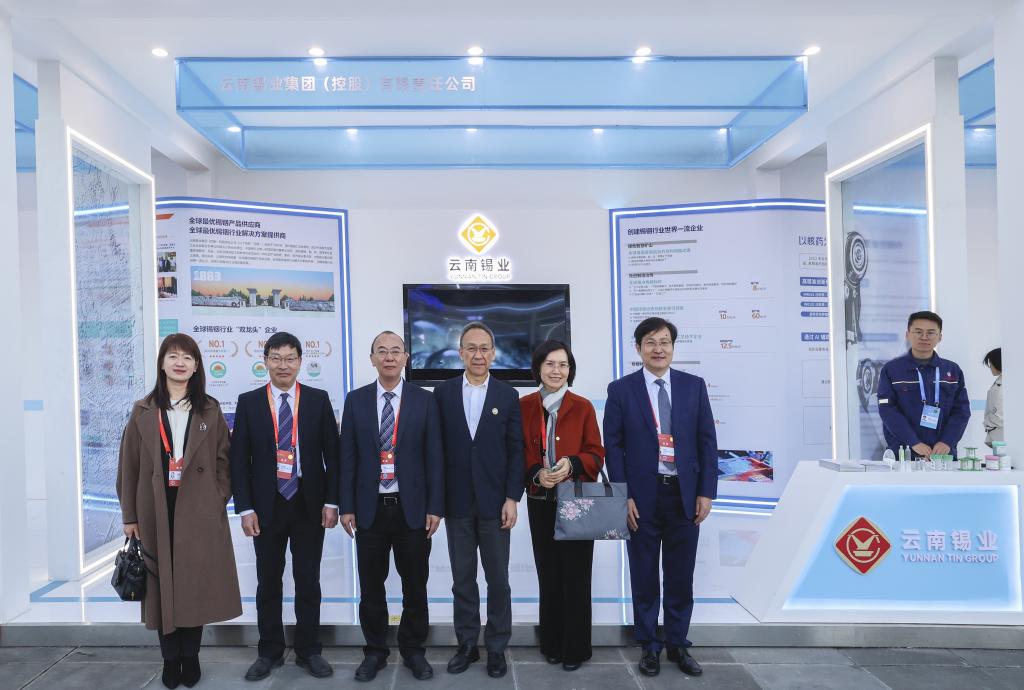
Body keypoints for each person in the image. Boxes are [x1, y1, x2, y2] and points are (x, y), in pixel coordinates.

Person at [117, 333, 241, 689]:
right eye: (173, 356)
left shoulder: (210, 410)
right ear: (162, 363)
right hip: (155, 509)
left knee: (194, 586)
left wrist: (216, 498)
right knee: (161, 588)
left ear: (197, 366)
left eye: (187, 357)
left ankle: (191, 656)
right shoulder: (143, 411)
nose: (180, 363)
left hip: (199, 511)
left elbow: (224, 462)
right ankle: (170, 659)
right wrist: (130, 516)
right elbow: (128, 466)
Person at [604, 317, 717, 678]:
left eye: (664, 342)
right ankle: (649, 646)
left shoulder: (693, 386)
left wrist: (706, 492)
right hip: (641, 499)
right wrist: (622, 496)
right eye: (650, 342)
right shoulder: (621, 390)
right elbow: (613, 447)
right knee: (644, 576)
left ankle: (678, 644)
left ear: (672, 347)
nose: (658, 349)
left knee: (681, 577)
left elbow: (707, 442)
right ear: (638, 348)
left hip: (684, 496)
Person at [230, 332, 340, 681]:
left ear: (300, 362)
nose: (283, 365)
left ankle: (309, 651)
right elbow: (238, 461)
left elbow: (333, 456)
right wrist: (245, 508)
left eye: (290, 358)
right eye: (276, 358)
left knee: (308, 580)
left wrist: (332, 501)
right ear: (265, 361)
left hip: (309, 502)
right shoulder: (249, 402)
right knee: (268, 581)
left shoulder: (318, 400)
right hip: (267, 505)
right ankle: (269, 652)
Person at [339, 331, 444, 682]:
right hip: (369, 510)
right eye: (381, 351)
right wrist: (346, 506)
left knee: (415, 585)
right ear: (372, 359)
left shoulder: (424, 400)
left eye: (395, 351)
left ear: (405, 358)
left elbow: (435, 457)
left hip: (412, 509)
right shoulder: (356, 400)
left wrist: (435, 506)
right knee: (371, 587)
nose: (389, 357)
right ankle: (375, 652)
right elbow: (348, 457)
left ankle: (414, 650)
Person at [433, 322, 524, 678]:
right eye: (471, 348)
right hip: (456, 502)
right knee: (463, 579)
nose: (478, 354)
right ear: (460, 353)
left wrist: (512, 497)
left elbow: (516, 451)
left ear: (494, 353)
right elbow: (436, 449)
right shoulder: (442, 393)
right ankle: (467, 644)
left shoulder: (507, 395)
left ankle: (497, 647)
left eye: (484, 348)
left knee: (498, 580)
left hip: (495, 503)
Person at [519, 340, 604, 672]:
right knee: (549, 575)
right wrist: (536, 473)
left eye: (563, 365)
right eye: (550, 364)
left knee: (577, 577)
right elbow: (516, 451)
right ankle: (552, 643)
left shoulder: (582, 406)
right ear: (538, 368)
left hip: (577, 501)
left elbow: (596, 453)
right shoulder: (524, 406)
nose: (557, 371)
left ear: (571, 370)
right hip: (540, 501)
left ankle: (576, 649)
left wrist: (572, 464)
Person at [877, 311, 971, 459]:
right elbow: (887, 410)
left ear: (940, 337)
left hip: (942, 454)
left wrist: (947, 442)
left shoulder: (952, 370)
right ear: (907, 334)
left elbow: (961, 411)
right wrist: (913, 442)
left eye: (931, 332)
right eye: (918, 332)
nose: (924, 337)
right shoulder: (892, 370)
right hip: (904, 452)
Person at [983, 347, 1003, 448]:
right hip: (996, 434)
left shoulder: (1003, 385)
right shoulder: (999, 382)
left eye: (991, 363)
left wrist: (987, 422)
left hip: (1000, 435)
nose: (990, 366)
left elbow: (999, 417)